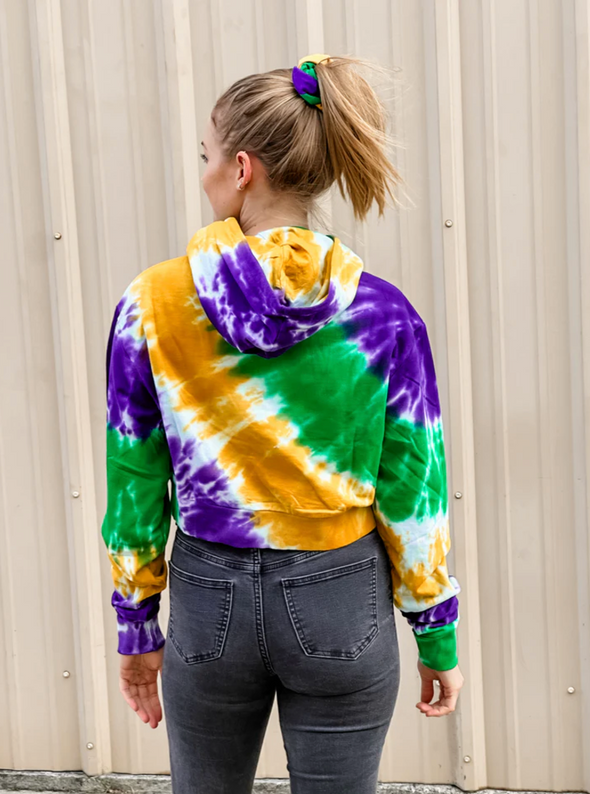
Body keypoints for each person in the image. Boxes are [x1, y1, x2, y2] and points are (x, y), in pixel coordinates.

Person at [101, 53, 465, 794]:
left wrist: (137, 625)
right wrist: (437, 632)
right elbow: (414, 490)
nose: (204, 173)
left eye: (205, 156)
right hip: (342, 597)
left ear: (241, 169)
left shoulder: (151, 305)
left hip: (209, 596)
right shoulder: (384, 315)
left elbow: (134, 478)